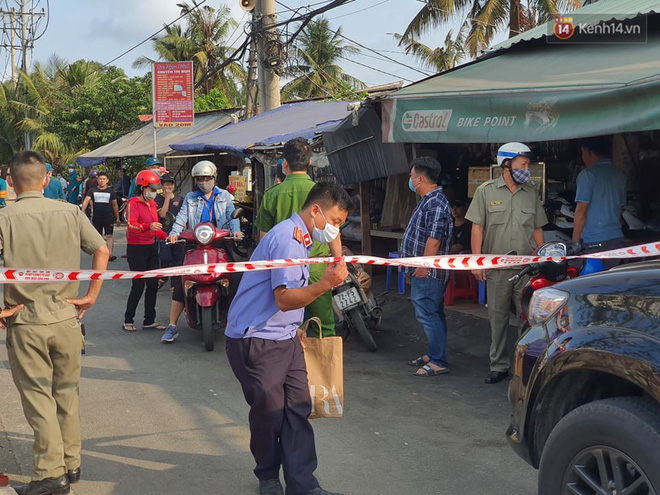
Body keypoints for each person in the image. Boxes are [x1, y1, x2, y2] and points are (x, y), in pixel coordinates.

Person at [225, 183, 351, 495]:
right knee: (270, 412)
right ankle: (268, 476)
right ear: (316, 211)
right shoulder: (288, 240)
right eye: (335, 222)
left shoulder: (302, 236)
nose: (335, 231)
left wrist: (296, 324)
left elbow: (288, 301)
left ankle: (303, 484)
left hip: (286, 336)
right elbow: (283, 299)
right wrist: (326, 285)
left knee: (297, 407)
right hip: (257, 338)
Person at [1, 150, 109, 495]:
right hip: (67, 317)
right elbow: (102, 250)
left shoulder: (5, 218)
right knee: (66, 394)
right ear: (46, 180)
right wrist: (92, 294)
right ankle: (70, 463)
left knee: (38, 397)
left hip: (25, 321)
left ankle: (50, 475)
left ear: (10, 183)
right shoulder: (71, 212)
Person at [465, 142, 547, 384]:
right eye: (523, 164)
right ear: (507, 164)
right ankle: (499, 365)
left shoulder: (531, 193)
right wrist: (476, 262)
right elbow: (477, 228)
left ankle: (524, 366)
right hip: (497, 269)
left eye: (528, 164)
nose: (526, 168)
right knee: (497, 318)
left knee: (528, 319)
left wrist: (542, 260)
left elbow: (537, 230)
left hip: (526, 269)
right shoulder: (486, 191)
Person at [254, 137, 341, 337]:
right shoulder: (323, 194)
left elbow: (265, 238)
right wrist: (337, 263)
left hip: (286, 270)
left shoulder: (272, 194)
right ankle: (325, 365)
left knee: (291, 325)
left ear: (285, 163)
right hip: (318, 267)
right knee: (324, 323)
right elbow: (333, 232)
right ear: (310, 162)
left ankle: (294, 363)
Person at [163, 160, 242, 343]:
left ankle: (239, 320)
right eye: (200, 178)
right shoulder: (190, 198)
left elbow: (232, 216)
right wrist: (174, 233)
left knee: (237, 277)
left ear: (214, 178)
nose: (203, 181)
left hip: (221, 241)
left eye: (207, 178)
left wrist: (236, 231)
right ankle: (172, 326)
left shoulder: (224, 196)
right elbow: (181, 218)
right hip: (195, 244)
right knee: (181, 279)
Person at [401, 157, 453, 377]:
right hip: (426, 270)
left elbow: (434, 240)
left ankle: (438, 360)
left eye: (412, 177)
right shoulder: (428, 200)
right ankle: (434, 354)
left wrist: (424, 266)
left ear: (420, 178)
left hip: (429, 272)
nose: (410, 181)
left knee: (428, 313)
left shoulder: (435, 203)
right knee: (433, 312)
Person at [122, 170, 168, 332]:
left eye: (155, 190)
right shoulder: (133, 203)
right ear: (142, 188)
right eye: (151, 189)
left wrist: (166, 237)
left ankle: (149, 320)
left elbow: (156, 228)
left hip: (151, 247)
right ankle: (128, 320)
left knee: (152, 284)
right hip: (136, 249)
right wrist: (148, 226)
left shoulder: (153, 204)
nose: (153, 193)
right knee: (138, 284)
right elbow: (131, 225)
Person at [572, 136, 627, 254]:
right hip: (617, 239)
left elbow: (581, 210)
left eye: (583, 153)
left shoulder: (587, 175)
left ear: (589, 152)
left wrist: (575, 242)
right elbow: (620, 210)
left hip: (593, 242)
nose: (583, 157)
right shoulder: (619, 175)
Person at [82, 172, 121, 262]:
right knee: (98, 236)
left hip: (108, 217)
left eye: (104, 179)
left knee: (109, 235)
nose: (102, 181)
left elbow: (115, 205)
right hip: (97, 217)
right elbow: (86, 201)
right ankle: (99, 253)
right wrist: (83, 211)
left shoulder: (110, 192)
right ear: (97, 180)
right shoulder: (92, 190)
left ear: (107, 181)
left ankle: (110, 254)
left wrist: (118, 218)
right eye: (100, 179)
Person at [154, 173, 184, 290]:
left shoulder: (179, 198)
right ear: (162, 185)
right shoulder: (158, 198)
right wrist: (167, 197)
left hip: (177, 233)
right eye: (167, 184)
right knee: (165, 257)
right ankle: (164, 277)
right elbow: (162, 214)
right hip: (164, 233)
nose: (169, 187)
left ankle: (174, 283)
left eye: (171, 184)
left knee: (177, 258)